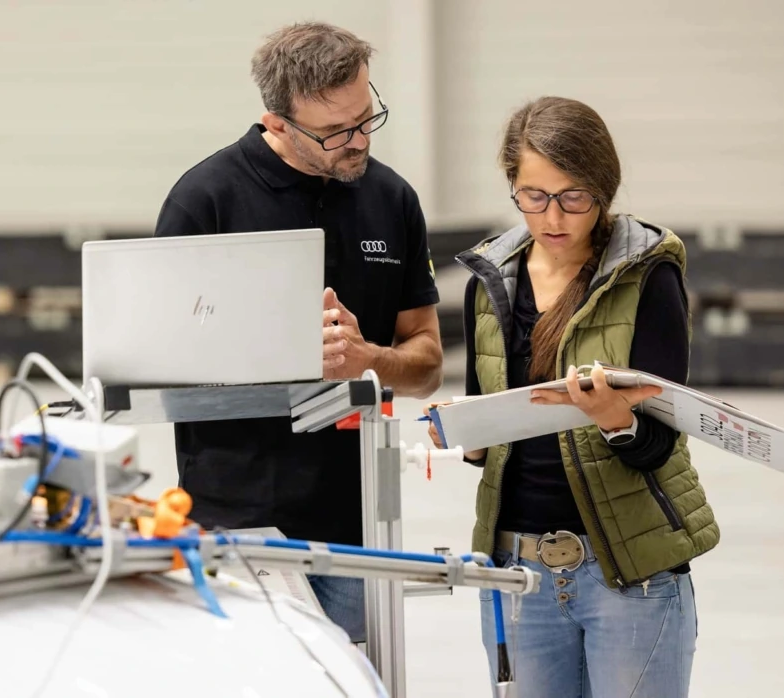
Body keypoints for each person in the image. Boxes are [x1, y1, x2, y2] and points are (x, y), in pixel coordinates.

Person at [154, 22, 443, 643]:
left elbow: (426, 366)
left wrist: (367, 359)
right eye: (336, 131)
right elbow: (162, 370)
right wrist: (274, 352)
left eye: (366, 118)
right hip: (235, 525)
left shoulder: (392, 200)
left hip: (359, 526)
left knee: (359, 679)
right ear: (277, 123)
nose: (358, 140)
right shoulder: (205, 202)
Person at [428, 96, 718, 696]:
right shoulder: (489, 280)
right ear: (513, 186)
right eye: (533, 196)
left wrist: (616, 421)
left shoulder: (647, 276)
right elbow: (489, 433)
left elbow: (658, 447)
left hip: (630, 574)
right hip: (517, 570)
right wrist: (464, 435)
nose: (552, 216)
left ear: (603, 191)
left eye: (573, 197)